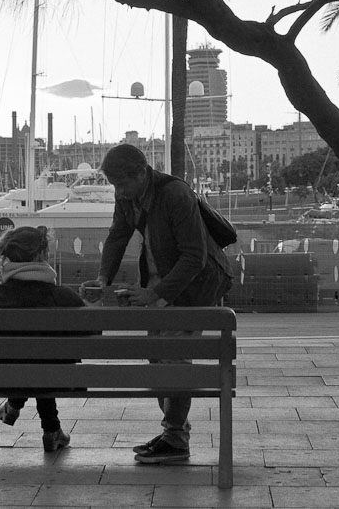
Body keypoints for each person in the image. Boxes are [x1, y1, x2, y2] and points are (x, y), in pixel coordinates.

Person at [81, 144, 232, 465]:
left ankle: (175, 437)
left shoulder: (175, 194)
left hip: (195, 287)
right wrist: (103, 279)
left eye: (121, 184)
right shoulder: (127, 198)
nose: (118, 192)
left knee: (174, 359)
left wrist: (154, 293)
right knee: (158, 358)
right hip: (162, 286)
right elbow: (117, 237)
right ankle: (173, 434)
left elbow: (195, 256)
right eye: (114, 186)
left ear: (141, 173)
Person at [0, 226, 83, 452]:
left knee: (28, 363)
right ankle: (51, 430)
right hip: (59, 377)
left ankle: (19, 406)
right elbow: (89, 336)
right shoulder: (64, 298)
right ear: (42, 256)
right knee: (44, 363)